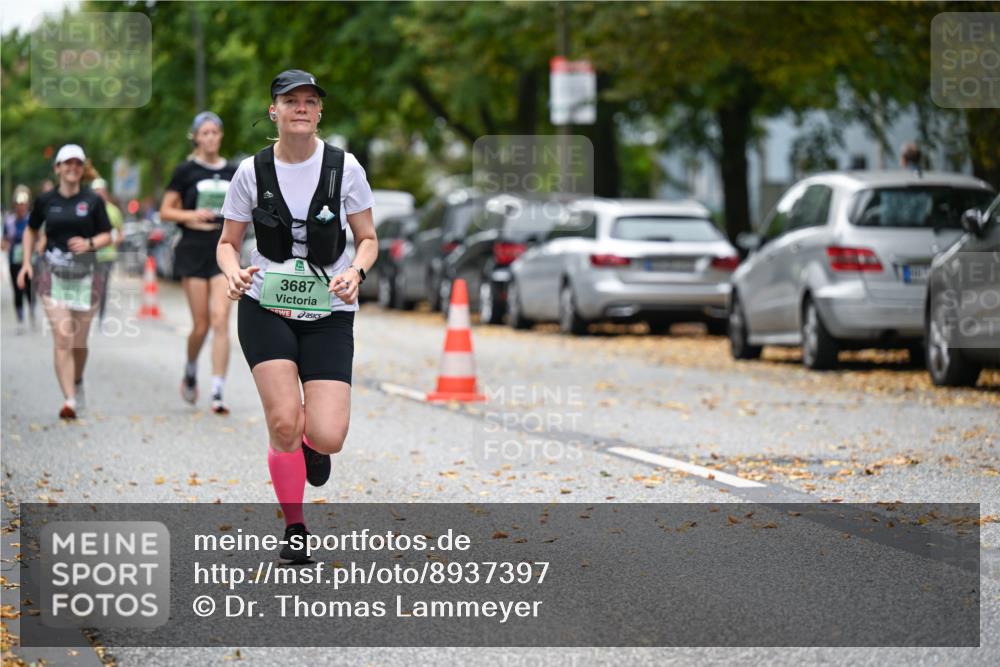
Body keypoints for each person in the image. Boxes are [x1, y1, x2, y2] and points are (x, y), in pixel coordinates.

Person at [218, 69, 377, 563]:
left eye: (310, 101)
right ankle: (295, 526)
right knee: (283, 420)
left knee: (327, 434)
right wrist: (232, 274)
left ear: (319, 112)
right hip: (266, 305)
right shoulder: (252, 171)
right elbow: (227, 244)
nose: (302, 108)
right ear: (275, 111)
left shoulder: (344, 167)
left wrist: (356, 271)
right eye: (292, 101)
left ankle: (312, 445)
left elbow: (368, 238)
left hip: (329, 309)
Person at [17, 144, 113, 420]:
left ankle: (78, 380)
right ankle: (69, 399)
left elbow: (108, 234)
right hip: (53, 275)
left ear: (82, 169)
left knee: (79, 344)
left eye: (78, 164)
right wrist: (26, 263)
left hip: (86, 276)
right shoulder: (46, 200)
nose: (72, 168)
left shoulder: (93, 201)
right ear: (57, 168)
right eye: (67, 163)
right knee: (63, 338)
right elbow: (31, 231)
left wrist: (90, 242)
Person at [160, 112, 238, 414]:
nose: (210, 138)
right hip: (192, 248)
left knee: (221, 319)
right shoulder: (185, 171)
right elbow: (166, 211)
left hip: (223, 248)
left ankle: (217, 390)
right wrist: (193, 215)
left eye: (214, 132)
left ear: (220, 136)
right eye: (204, 133)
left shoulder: (233, 171)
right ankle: (191, 368)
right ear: (195, 137)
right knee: (201, 325)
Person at [91, 178, 124, 326]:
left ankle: (101, 317)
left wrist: (113, 240)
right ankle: (89, 313)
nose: (99, 195)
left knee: (102, 286)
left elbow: (121, 233)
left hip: (107, 255)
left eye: (101, 192)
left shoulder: (113, 211)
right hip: (91, 255)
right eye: (96, 192)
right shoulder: (88, 209)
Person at [3, 187, 34, 333]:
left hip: (29, 260)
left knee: (29, 288)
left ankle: (32, 310)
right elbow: (4, 241)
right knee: (17, 289)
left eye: (23, 203)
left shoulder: (32, 220)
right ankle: (20, 319)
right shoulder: (9, 221)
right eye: (18, 203)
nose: (20, 206)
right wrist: (5, 244)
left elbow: (39, 237)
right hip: (14, 260)